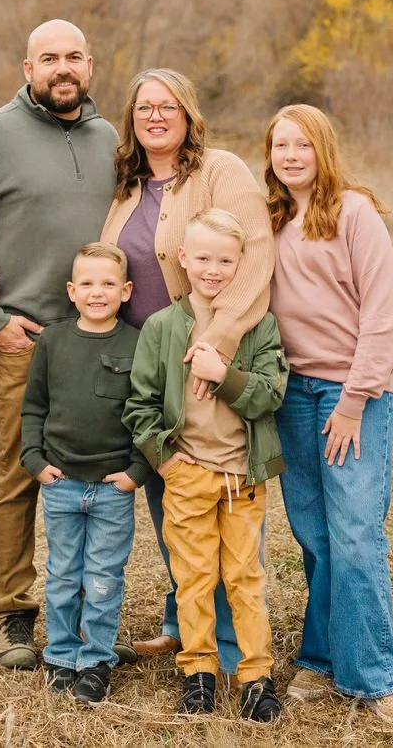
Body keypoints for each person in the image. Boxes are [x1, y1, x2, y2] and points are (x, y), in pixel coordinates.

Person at [0, 19, 120, 669]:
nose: (61, 68)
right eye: (49, 58)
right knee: (19, 475)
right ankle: (13, 614)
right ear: (27, 67)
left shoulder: (109, 139)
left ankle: (90, 611)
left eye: (73, 56)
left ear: (90, 65)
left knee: (100, 475)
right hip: (22, 340)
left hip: (98, 340)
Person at [99, 68, 273, 663]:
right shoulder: (129, 185)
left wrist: (220, 339)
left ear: (189, 114)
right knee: (175, 500)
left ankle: (230, 646)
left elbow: (257, 252)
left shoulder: (219, 170)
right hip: (149, 362)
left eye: (168, 106)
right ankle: (184, 622)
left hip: (208, 359)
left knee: (223, 498)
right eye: (144, 106)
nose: (155, 116)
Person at [264, 104, 393, 728]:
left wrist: (355, 400)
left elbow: (384, 317)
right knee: (315, 534)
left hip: (351, 394)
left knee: (356, 533)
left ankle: (376, 677)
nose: (292, 155)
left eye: (303, 144)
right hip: (290, 394)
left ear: (323, 150)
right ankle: (321, 657)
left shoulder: (354, 212)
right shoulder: (269, 218)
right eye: (280, 146)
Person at [123, 209, 287, 722]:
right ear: (182, 260)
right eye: (203, 258)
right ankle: (198, 674)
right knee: (192, 577)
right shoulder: (162, 326)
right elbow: (140, 405)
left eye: (226, 260)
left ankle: (256, 678)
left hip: (243, 474)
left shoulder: (259, 326)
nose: (213, 270)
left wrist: (223, 373)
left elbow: (269, 396)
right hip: (188, 472)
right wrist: (167, 463)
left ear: (243, 264)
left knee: (244, 576)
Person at [19, 243, 149, 705]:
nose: (98, 293)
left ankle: (95, 660)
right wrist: (35, 462)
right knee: (62, 573)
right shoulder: (53, 341)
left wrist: (137, 471)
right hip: (62, 482)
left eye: (109, 284)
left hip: (114, 487)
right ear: (72, 291)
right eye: (88, 284)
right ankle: (60, 653)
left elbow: (147, 413)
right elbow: (34, 406)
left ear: (126, 290)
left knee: (103, 576)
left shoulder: (137, 343)